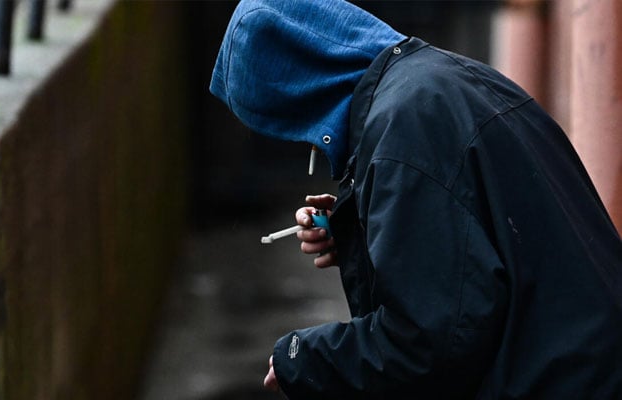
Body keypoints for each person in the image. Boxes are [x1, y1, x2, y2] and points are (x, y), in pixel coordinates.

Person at [209, 0, 622, 398]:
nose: (306, 140)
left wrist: (301, 359)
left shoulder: (401, 135)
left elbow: (429, 343)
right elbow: (474, 233)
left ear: (298, 90)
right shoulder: (434, 78)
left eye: (290, 123)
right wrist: (359, 228)